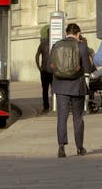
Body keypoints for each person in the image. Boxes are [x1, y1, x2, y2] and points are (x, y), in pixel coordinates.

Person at [52, 23, 92, 158]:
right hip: (77, 86)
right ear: (78, 33)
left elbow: (49, 66)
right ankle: (80, 147)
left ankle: (61, 147)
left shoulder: (56, 45)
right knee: (78, 118)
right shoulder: (81, 46)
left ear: (66, 32)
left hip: (60, 87)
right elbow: (87, 69)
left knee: (62, 117)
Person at [35, 25, 53, 113]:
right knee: (45, 90)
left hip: (54, 72)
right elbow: (37, 55)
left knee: (54, 90)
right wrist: (39, 67)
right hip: (45, 71)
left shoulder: (56, 43)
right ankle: (46, 107)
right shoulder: (43, 44)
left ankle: (54, 106)